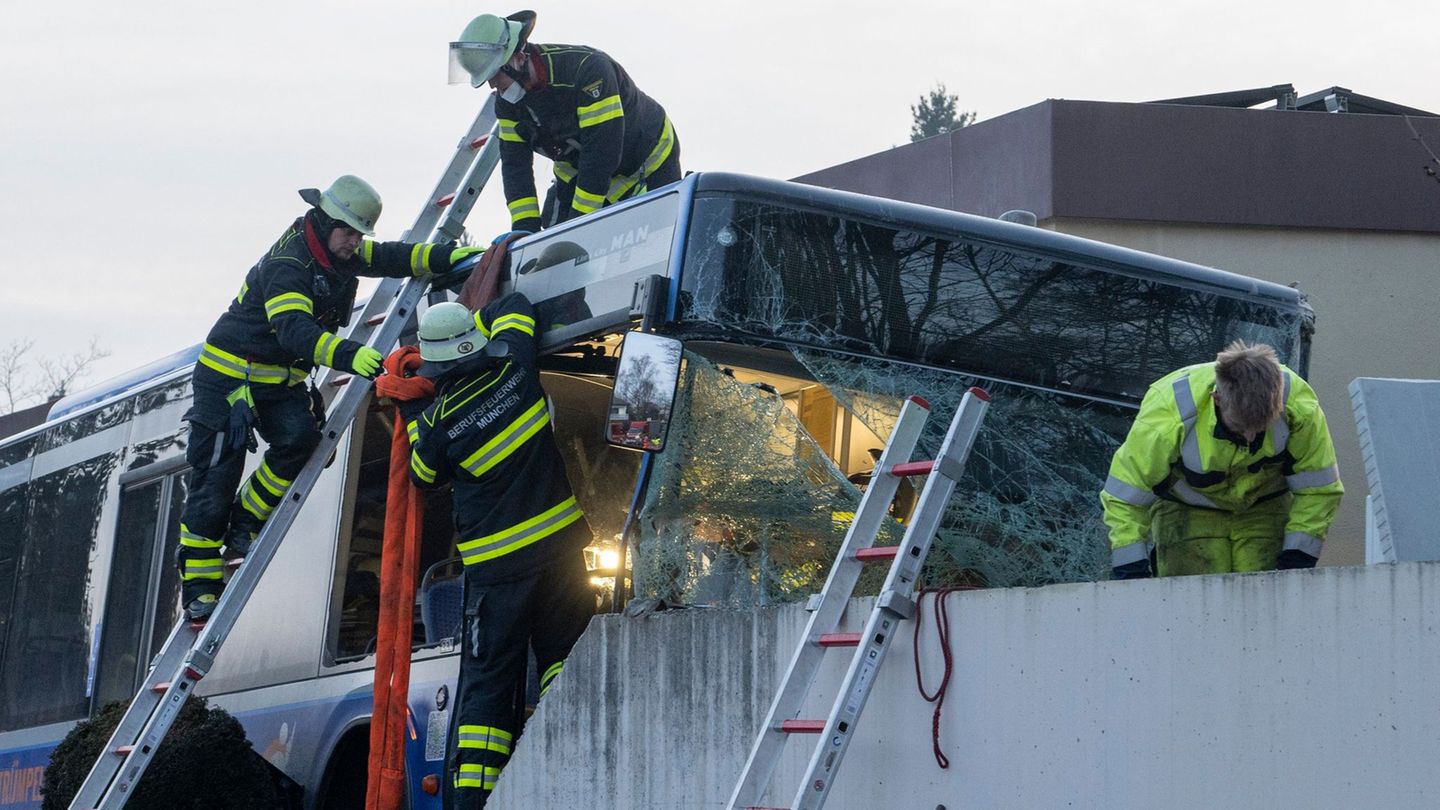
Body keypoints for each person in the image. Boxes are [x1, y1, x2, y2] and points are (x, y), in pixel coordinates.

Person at [176, 175, 480, 620]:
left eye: (360, 234)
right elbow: (294, 330)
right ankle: (199, 587)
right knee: (213, 481)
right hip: (229, 379)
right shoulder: (289, 265)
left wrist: (455, 258)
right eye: (349, 232)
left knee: (300, 441)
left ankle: (244, 521)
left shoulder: (340, 250)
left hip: (278, 379)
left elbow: (397, 256)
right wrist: (349, 355)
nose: (355, 243)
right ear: (323, 220)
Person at [400, 294, 594, 807]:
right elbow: (516, 303)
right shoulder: (516, 366)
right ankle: (570, 768)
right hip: (562, 553)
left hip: (499, 575)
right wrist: (476, 314)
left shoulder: (440, 421)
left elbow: (423, 476)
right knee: (565, 659)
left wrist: (413, 403)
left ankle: (473, 801)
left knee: (490, 683)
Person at [1101, 340, 1343, 579]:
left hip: (1265, 509)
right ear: (1217, 398)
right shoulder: (1169, 411)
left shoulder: (1300, 409)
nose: (1250, 436)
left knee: (1263, 603)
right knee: (1191, 604)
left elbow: (1318, 491)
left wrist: (1297, 558)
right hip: (1186, 513)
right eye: (1239, 426)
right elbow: (1125, 498)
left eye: (1261, 428)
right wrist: (1131, 569)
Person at [448, 11, 680, 233]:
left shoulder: (587, 70)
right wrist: (523, 229)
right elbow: (515, 166)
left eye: (495, 76)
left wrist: (579, 223)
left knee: (659, 233)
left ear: (517, 59)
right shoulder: (507, 104)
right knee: (555, 239)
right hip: (579, 167)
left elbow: (601, 152)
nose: (492, 86)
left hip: (647, 156)